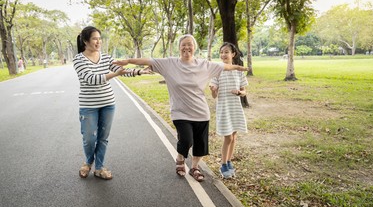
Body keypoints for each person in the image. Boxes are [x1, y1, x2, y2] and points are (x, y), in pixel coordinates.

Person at [114, 34, 248, 182]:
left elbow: (226, 66)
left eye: (190, 44)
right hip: (180, 112)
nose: (187, 47)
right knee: (186, 140)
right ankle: (180, 157)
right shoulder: (169, 63)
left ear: (194, 47)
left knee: (201, 144)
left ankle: (195, 168)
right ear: (179, 47)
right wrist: (128, 61)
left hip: (201, 113)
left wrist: (240, 67)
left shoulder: (205, 65)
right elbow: (147, 60)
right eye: (183, 44)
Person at [73, 26, 151, 180]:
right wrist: (114, 74)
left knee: (103, 137)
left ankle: (99, 168)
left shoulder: (106, 57)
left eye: (99, 38)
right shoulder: (78, 59)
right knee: (89, 138)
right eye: (95, 38)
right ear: (85, 41)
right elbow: (91, 79)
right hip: (88, 106)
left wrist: (139, 71)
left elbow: (120, 69)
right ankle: (88, 162)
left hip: (108, 104)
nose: (98, 41)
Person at [209, 42, 248, 179]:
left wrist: (239, 92)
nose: (223, 54)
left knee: (234, 136)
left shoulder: (239, 71)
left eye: (226, 52)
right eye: (221, 52)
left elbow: (244, 92)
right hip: (224, 108)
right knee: (228, 137)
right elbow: (214, 96)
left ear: (233, 54)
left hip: (235, 107)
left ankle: (229, 161)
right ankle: (223, 164)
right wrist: (214, 90)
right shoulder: (217, 71)